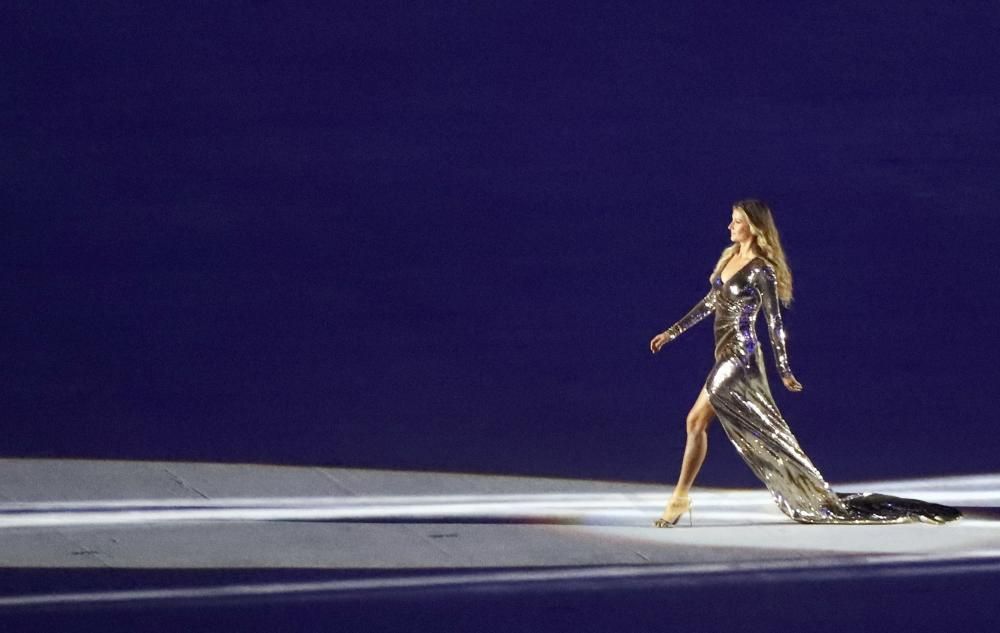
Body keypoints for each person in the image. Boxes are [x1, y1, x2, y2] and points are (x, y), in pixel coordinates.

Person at [648, 199, 962, 527]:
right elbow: (712, 302)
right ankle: (684, 498)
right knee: (702, 424)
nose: (729, 226)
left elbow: (773, 322)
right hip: (724, 355)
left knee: (695, 420)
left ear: (753, 227)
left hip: (740, 358)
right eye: (731, 220)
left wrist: (783, 370)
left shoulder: (760, 269)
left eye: (736, 221)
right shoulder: (730, 259)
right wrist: (671, 333)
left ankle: (679, 499)